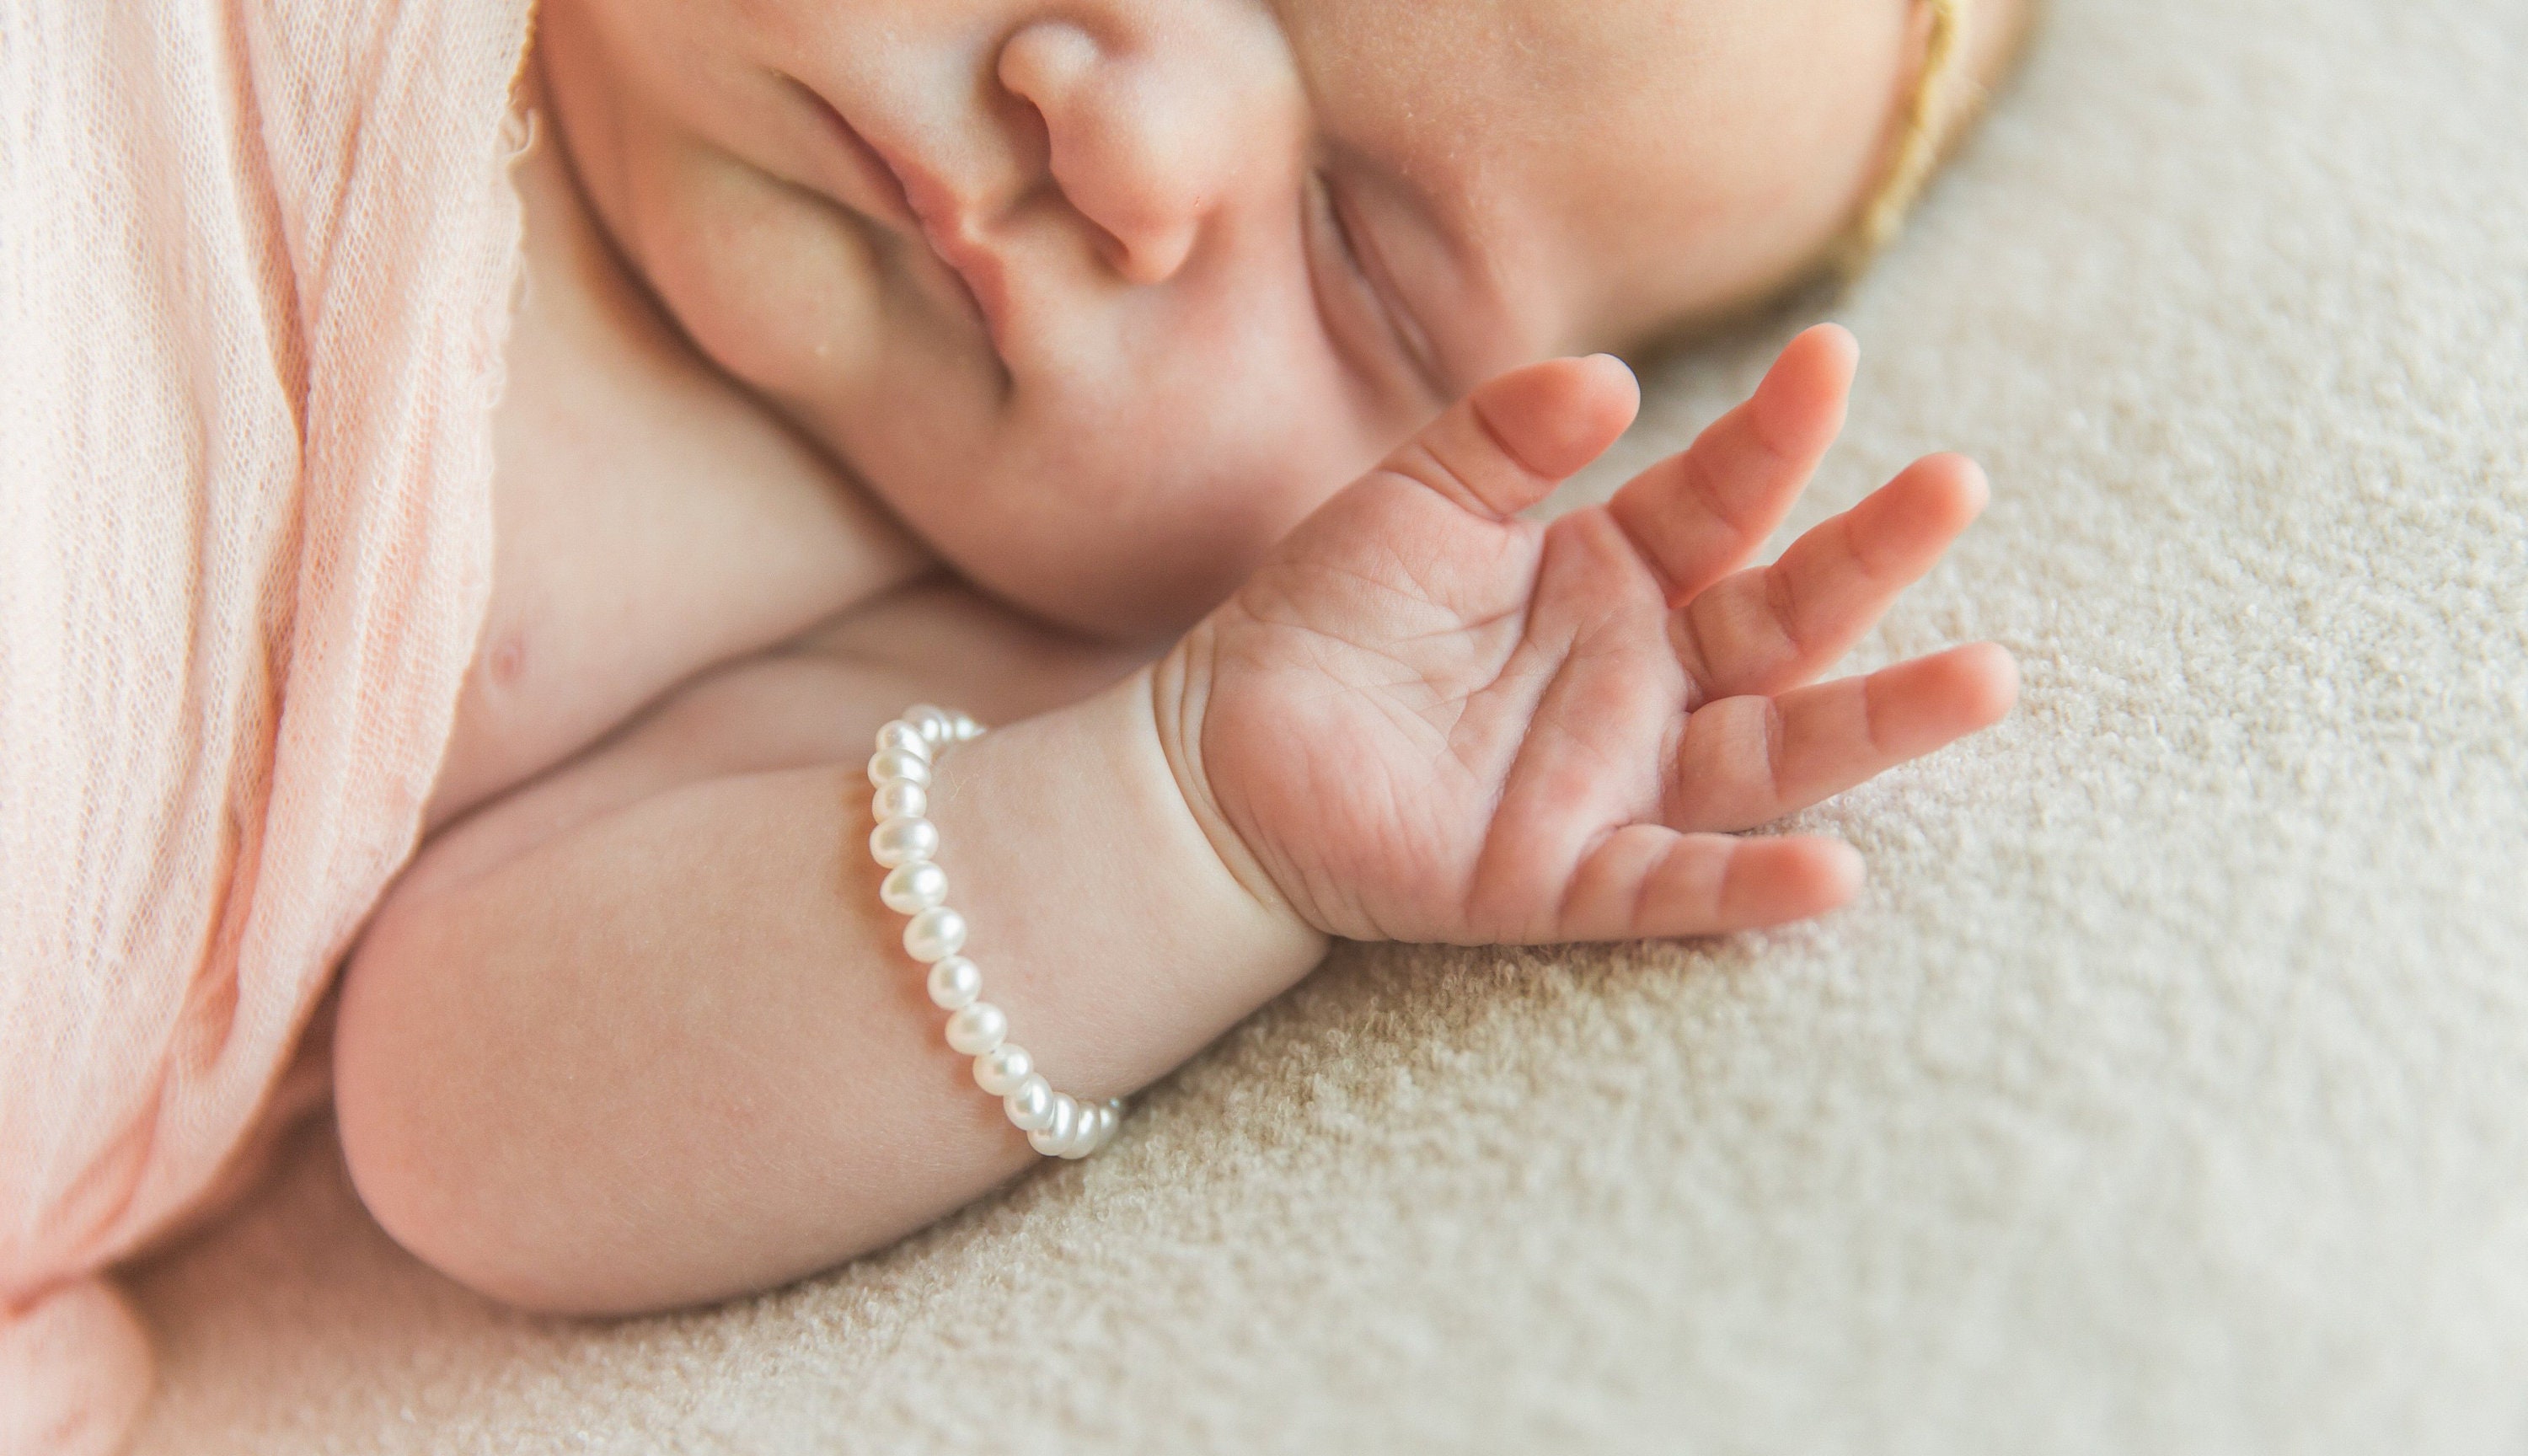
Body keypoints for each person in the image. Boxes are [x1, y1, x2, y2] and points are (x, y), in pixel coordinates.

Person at [334, 0, 2033, 1316]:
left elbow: (463, 1118)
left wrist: (1187, 811)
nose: (1127, 141)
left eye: (1361, 267)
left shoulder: (958, 640)